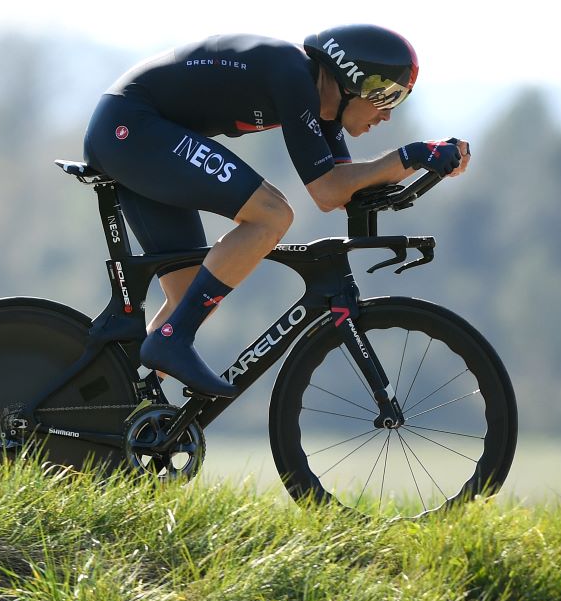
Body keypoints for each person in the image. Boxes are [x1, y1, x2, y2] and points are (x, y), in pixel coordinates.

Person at [82, 24, 470, 397]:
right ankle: (172, 339)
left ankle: (116, 405)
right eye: (386, 97)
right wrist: (413, 155)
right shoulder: (294, 78)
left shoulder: (319, 102)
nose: (387, 115)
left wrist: (425, 163)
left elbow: (347, 187)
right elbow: (327, 191)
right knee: (272, 214)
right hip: (130, 127)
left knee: (189, 297)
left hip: (140, 133)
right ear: (351, 80)